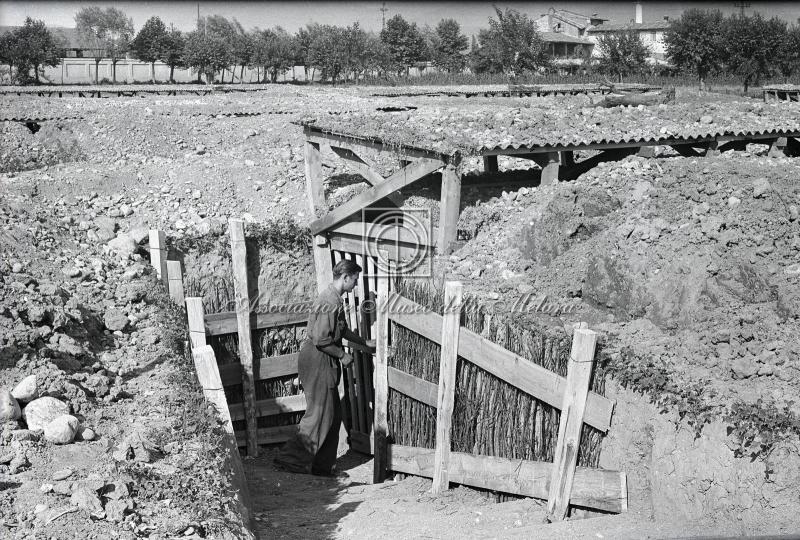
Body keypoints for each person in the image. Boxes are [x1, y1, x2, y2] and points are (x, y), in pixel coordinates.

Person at [274, 258, 375, 476]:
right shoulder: (329, 300)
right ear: (345, 277)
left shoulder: (335, 299)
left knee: (333, 415)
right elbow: (321, 339)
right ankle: (289, 459)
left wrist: (363, 342)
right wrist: (342, 355)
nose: (355, 285)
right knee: (319, 413)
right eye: (355, 280)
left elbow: (342, 330)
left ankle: (322, 467)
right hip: (318, 358)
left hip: (323, 357)